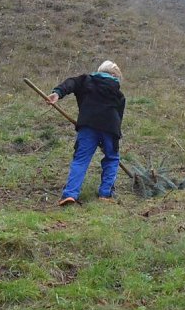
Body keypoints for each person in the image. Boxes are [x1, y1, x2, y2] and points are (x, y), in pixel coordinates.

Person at [46, 60, 126, 205]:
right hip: (110, 127)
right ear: (115, 75)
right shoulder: (118, 93)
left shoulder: (85, 81)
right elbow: (119, 116)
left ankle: (70, 194)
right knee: (112, 158)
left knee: (80, 159)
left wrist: (57, 93)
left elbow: (70, 83)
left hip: (88, 125)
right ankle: (105, 194)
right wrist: (112, 139)